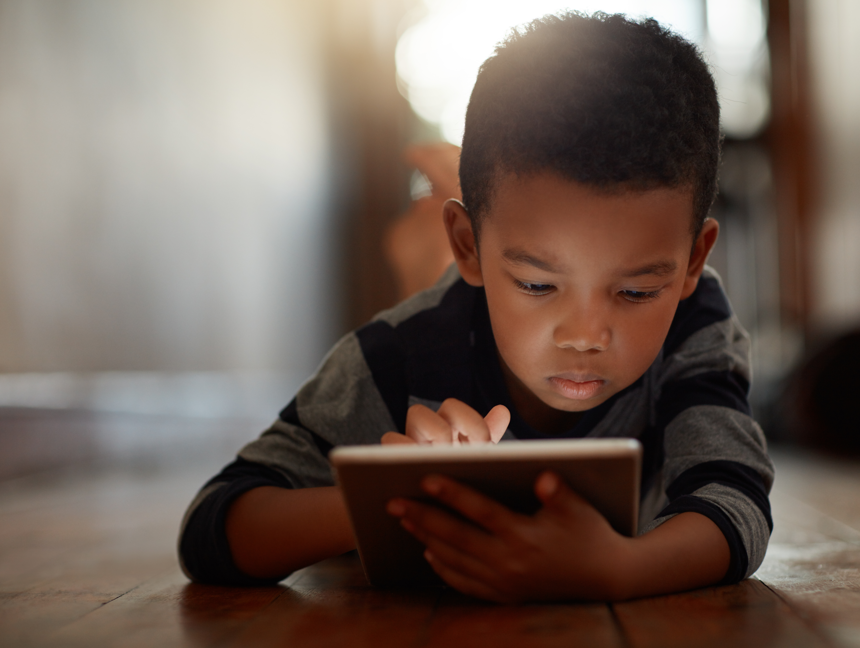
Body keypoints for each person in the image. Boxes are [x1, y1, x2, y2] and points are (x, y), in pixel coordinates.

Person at [179, 12, 773, 603]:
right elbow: (213, 526)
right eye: (538, 286)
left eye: (637, 292)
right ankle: (424, 263)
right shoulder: (397, 357)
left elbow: (734, 499)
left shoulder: (696, 326)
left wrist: (620, 569)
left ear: (694, 261)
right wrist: (396, 493)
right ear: (468, 244)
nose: (586, 336)